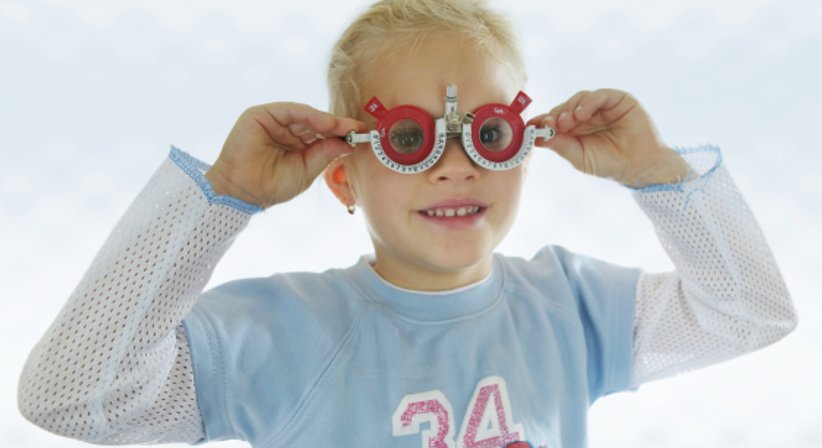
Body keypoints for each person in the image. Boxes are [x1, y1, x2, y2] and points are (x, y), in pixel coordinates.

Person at [17, 0, 797, 447]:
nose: (453, 167)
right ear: (343, 176)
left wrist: (656, 173)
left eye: (488, 134)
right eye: (409, 139)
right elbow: (74, 396)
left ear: (527, 148)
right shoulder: (281, 334)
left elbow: (751, 316)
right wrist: (223, 196)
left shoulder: (572, 307)